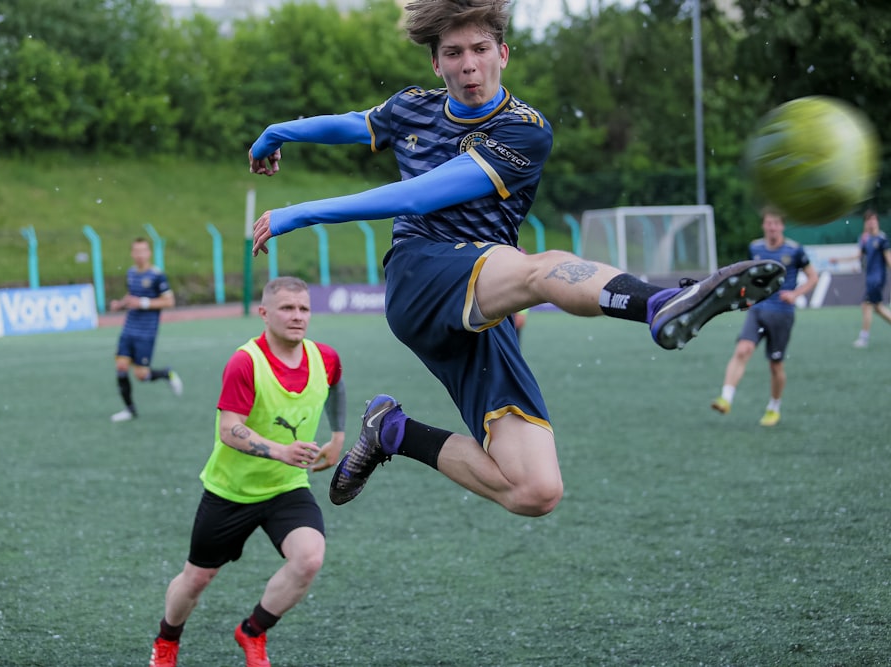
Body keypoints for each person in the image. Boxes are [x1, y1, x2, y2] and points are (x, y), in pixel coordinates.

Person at [247, 0, 784, 518]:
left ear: (504, 54)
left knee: (534, 489)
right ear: (436, 63)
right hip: (419, 274)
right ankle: (661, 302)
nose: (468, 64)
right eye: (453, 53)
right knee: (534, 268)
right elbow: (353, 125)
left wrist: (299, 212)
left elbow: (420, 191)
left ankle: (393, 431)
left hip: (483, 299)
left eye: (480, 48)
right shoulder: (412, 106)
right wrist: (279, 132)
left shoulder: (524, 129)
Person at [147, 277, 346, 667]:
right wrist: (281, 451)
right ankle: (166, 639)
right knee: (197, 578)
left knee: (309, 558)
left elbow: (336, 384)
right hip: (230, 492)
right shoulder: (245, 361)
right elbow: (229, 429)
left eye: (304, 309)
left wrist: (337, 434)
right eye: (287, 308)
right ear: (264, 313)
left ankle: (252, 632)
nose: (297, 316)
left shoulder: (325, 357)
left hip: (287, 488)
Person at [710, 210, 818, 427]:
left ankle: (774, 408)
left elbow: (813, 277)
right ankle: (726, 398)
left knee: (775, 365)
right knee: (742, 350)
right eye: (768, 223)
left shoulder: (795, 250)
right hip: (758, 310)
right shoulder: (755, 247)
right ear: (763, 226)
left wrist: (795, 294)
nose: (772, 227)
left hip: (782, 315)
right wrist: (744, 298)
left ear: (782, 226)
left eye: (776, 223)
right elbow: (750, 278)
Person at [109, 237, 183, 422]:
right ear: (132, 254)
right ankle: (129, 409)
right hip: (128, 328)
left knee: (142, 375)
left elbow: (169, 301)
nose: (140, 255)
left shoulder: (157, 275)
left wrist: (143, 302)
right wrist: (121, 304)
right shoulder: (131, 273)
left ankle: (166, 373)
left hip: (146, 332)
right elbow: (131, 296)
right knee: (121, 367)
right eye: (136, 251)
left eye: (143, 251)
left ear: (149, 253)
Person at [831, 209, 891, 348]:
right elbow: (857, 256)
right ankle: (864, 337)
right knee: (878, 308)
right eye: (868, 220)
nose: (871, 223)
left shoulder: (882, 240)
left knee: (866, 305)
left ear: (877, 222)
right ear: (865, 223)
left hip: (877, 279)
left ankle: (864, 338)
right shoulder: (865, 239)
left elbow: (889, 260)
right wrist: (839, 260)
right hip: (869, 279)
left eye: (873, 220)